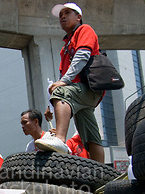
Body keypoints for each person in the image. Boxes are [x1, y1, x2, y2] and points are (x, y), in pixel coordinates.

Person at [36, 3, 105, 163]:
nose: (63, 17)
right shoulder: (65, 47)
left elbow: (82, 56)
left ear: (78, 17)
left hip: (89, 88)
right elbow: (64, 80)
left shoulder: (84, 30)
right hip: (79, 95)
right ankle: (102, 173)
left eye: (67, 13)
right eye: (60, 15)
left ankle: (59, 139)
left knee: (60, 92)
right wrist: (52, 104)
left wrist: (62, 84)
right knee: (90, 135)